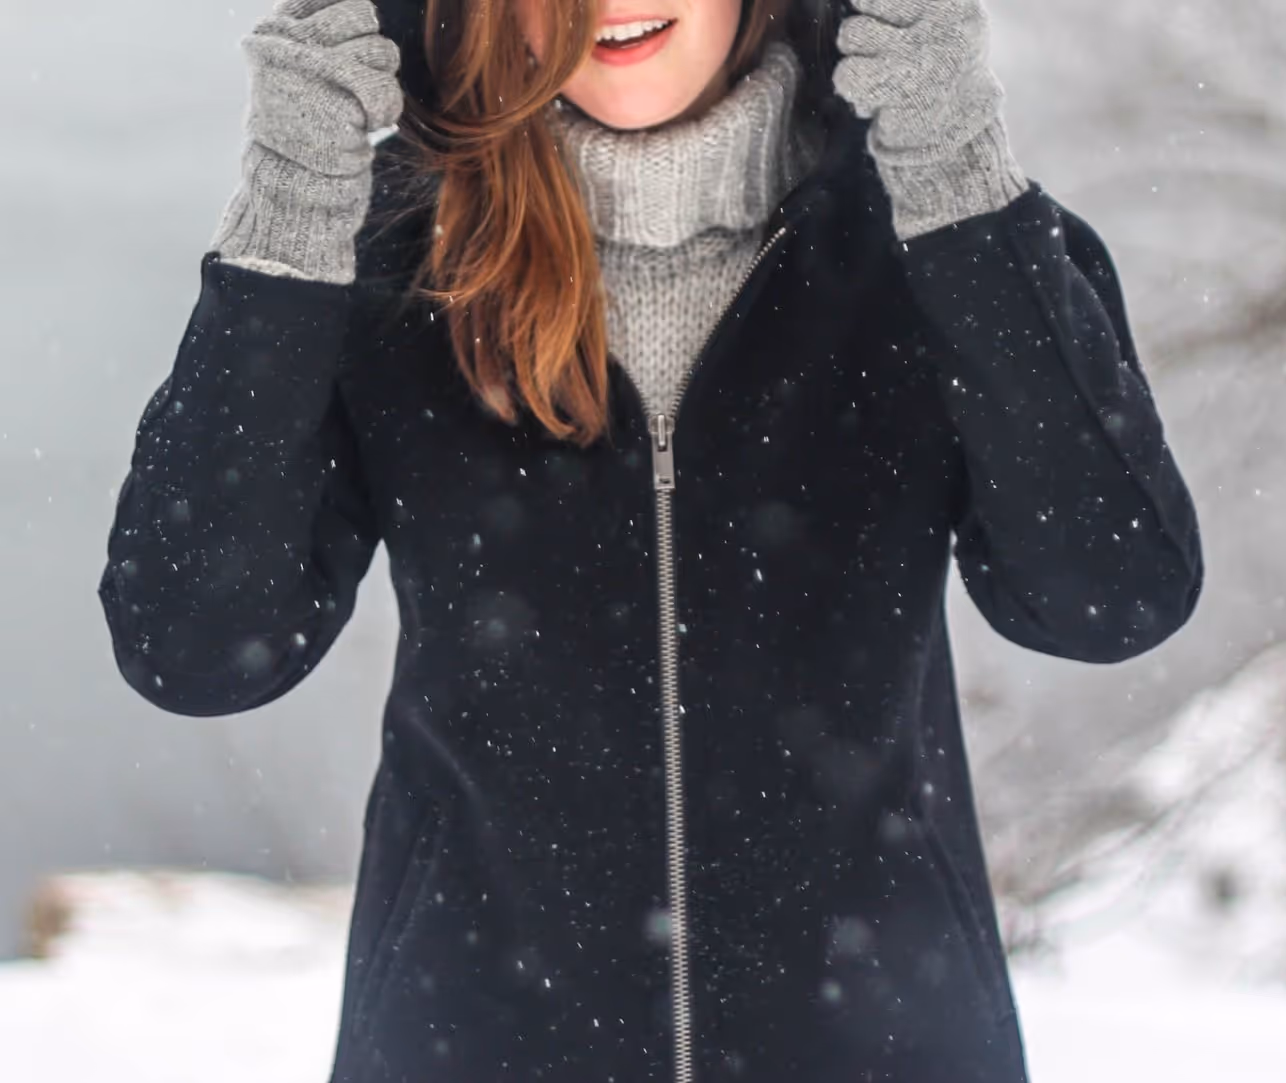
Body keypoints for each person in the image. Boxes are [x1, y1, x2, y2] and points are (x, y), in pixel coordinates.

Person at [97, 0, 1202, 1078]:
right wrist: (293, 203)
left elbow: (1110, 598)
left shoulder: (932, 233)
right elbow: (194, 647)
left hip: (882, 1047)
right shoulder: (392, 255)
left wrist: (952, 164)